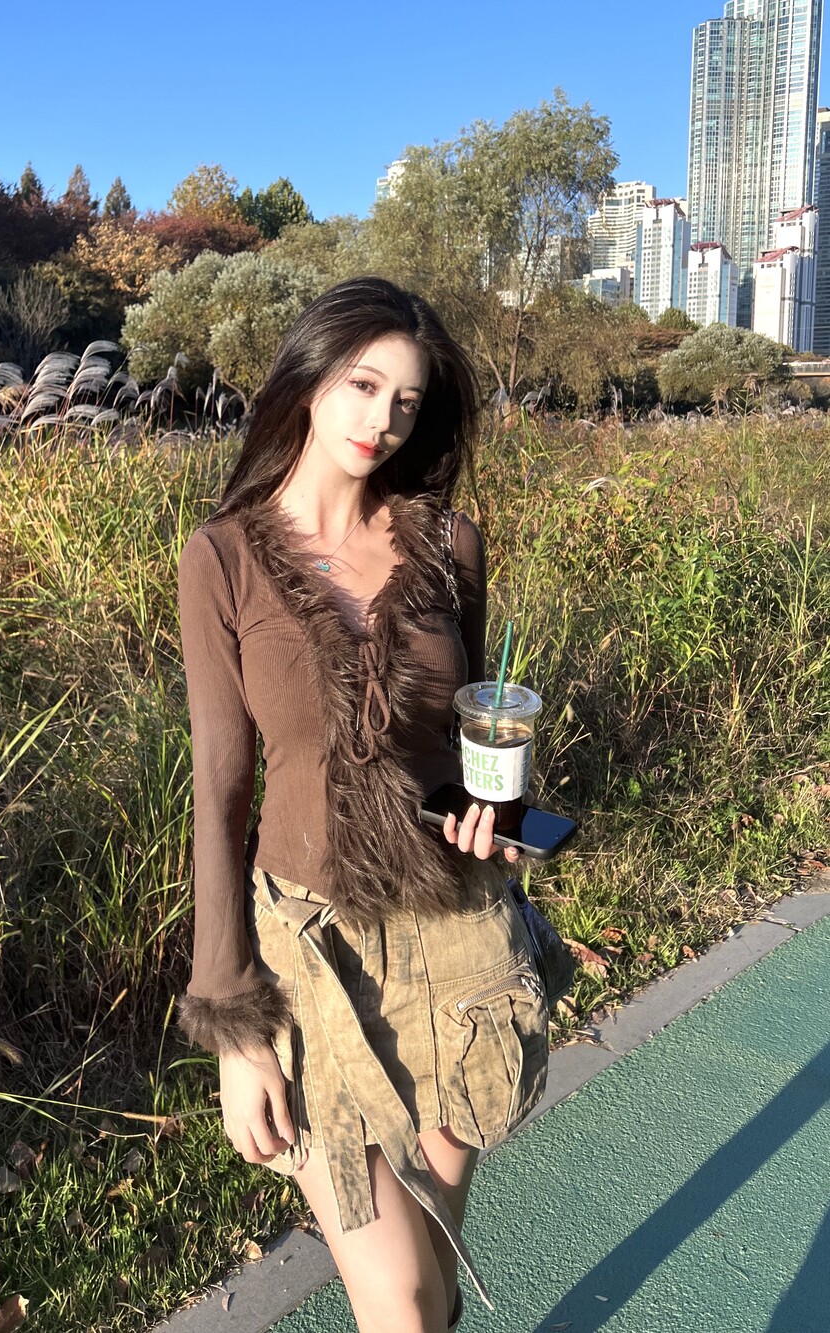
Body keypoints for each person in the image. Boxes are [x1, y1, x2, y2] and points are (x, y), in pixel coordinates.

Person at [176, 276, 549, 1332]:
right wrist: (235, 1028)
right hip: (313, 952)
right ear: (310, 377)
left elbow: (467, 733)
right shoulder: (223, 558)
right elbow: (220, 791)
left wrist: (500, 812)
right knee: (399, 1300)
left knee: (433, 1273)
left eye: (406, 401)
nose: (382, 419)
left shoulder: (449, 544)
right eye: (362, 384)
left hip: (458, 932)